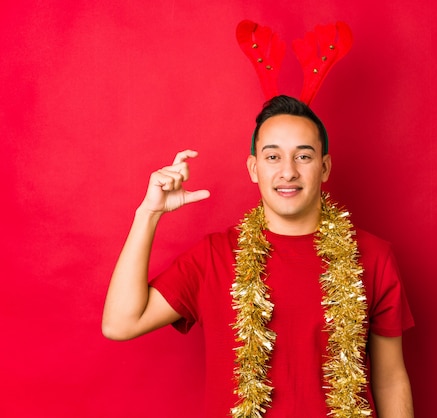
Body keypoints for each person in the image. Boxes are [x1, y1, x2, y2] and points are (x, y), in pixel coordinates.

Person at [102, 95, 415, 417]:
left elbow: (390, 379)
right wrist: (149, 213)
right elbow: (120, 324)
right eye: (273, 157)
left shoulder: (373, 257)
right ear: (254, 168)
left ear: (324, 168)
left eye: (303, 156)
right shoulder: (213, 257)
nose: (288, 172)